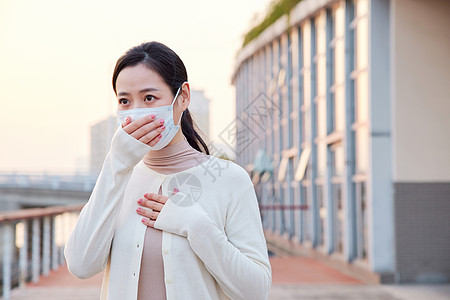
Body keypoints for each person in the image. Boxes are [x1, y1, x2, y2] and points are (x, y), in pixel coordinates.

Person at [64, 41, 272, 300]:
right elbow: (81, 265)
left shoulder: (231, 180)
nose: (137, 112)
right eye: (125, 101)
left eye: (149, 98)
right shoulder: (118, 180)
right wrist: (116, 163)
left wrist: (194, 224)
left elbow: (256, 291)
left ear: (183, 97)